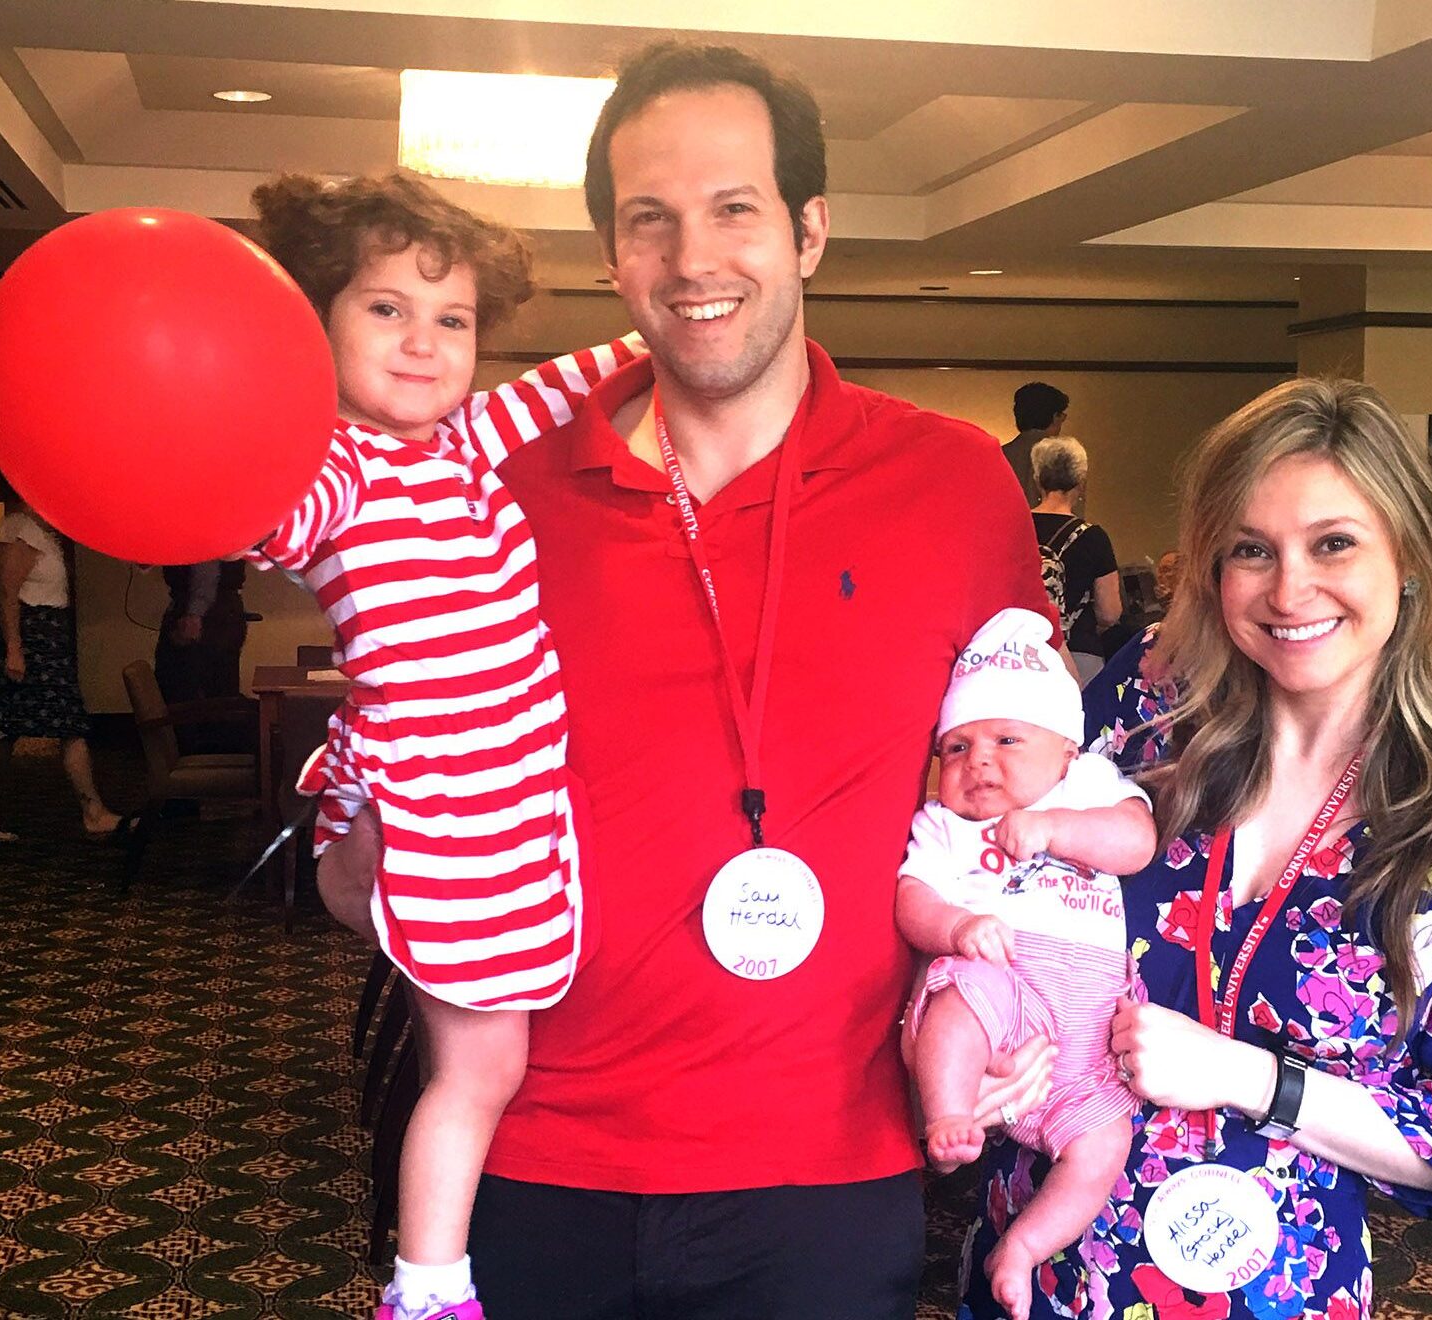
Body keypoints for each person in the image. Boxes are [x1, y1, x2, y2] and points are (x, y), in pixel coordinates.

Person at [321, 39, 1057, 1320]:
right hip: (535, 1152)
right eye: (648, 222)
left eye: (735, 209)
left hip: (833, 1167)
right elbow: (364, 830)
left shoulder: (952, 488)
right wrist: (373, 834)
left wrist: (1018, 1001)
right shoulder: (492, 490)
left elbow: (1025, 785)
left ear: (810, 229)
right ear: (613, 257)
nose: (692, 260)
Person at [963, 377, 1432, 1320]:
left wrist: (1252, 1078)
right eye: (1251, 550)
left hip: (1274, 1287)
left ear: (1408, 555)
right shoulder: (1143, 721)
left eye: (1334, 543)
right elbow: (990, 871)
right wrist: (992, 1038)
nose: (1290, 590)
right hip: (1036, 1265)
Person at [244, 171, 639, 1320]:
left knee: (489, 1068)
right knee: (475, 1072)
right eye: (384, 309)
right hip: (437, 799)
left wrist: (662, 315)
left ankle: (432, 1281)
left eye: (451, 318)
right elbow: (261, 512)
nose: (423, 342)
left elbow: (573, 381)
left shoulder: (463, 445)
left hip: (506, 794)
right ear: (317, 321)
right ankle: (426, 1292)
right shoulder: (334, 466)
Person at [897, 608, 1157, 1319]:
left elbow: (1135, 842)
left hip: (1086, 1046)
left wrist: (1054, 829)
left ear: (1065, 750)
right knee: (961, 995)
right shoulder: (945, 825)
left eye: (1007, 739)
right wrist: (955, 926)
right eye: (955, 748)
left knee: (1104, 1141)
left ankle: (1025, 1246)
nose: (978, 762)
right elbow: (911, 898)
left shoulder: (1091, 785)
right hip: (1006, 989)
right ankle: (950, 1116)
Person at [0, 497, 129, 844]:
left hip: (44, 638)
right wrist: (14, 649)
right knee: (54, 725)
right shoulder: (21, 530)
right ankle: (92, 812)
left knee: (9, 729)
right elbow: (8, 594)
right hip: (30, 640)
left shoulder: (40, 532)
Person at [1031, 436, 1121, 685]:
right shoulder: (1094, 537)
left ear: (1038, 479)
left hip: (1023, 651)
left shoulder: (1014, 528)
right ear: (1080, 482)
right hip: (1079, 654)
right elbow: (1110, 612)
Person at [153, 559, 251, 753]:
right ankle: (219, 758)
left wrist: (194, 613)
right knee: (219, 689)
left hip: (206, 617)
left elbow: (206, 566)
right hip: (223, 614)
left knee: (184, 692)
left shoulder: (196, 533)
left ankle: (192, 758)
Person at [1004, 382, 1068, 509]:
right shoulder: (1064, 459)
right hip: (1051, 528)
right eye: (1062, 415)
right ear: (1055, 417)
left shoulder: (999, 455)